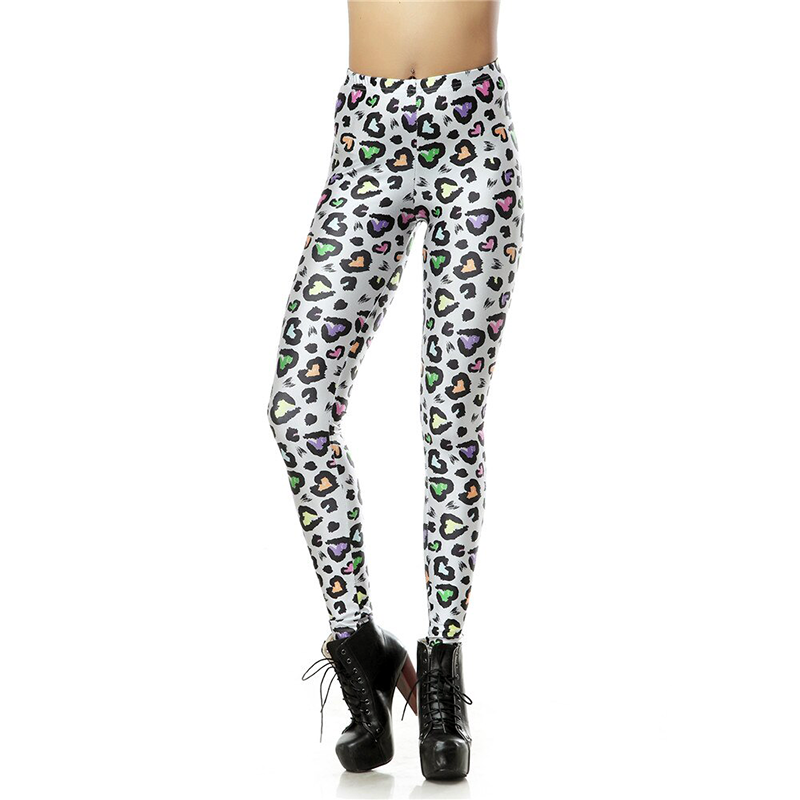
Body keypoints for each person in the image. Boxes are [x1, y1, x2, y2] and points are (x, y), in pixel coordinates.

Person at [268, 0, 524, 780]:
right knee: (297, 410)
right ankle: (362, 653)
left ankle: (440, 676)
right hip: (367, 142)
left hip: (472, 141)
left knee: (452, 418)